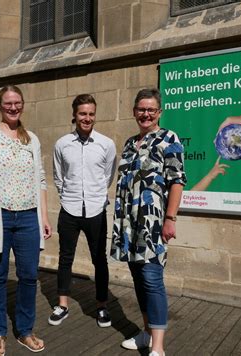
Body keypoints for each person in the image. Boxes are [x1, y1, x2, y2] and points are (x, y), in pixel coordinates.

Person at [0, 85, 52, 355]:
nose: (13, 107)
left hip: (29, 216)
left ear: (23, 104)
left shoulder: (32, 138)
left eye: (17, 102)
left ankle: (25, 331)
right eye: (8, 103)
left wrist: (44, 216)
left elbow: (40, 179)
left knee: (29, 276)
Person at [111, 88, 186, 356]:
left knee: (152, 279)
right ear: (134, 112)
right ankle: (145, 333)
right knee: (138, 279)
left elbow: (176, 181)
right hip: (129, 225)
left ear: (159, 112)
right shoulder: (130, 143)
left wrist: (170, 219)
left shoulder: (169, 139)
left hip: (153, 223)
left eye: (151, 110)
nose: (146, 114)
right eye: (141, 109)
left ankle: (158, 347)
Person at [49, 94, 116, 328]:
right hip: (70, 207)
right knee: (65, 258)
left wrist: (96, 195)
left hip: (96, 209)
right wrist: (68, 195)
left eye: (91, 114)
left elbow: (108, 175)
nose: (87, 118)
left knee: (100, 260)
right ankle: (62, 305)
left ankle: (101, 306)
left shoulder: (106, 144)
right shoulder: (62, 144)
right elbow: (58, 176)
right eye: (82, 114)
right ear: (75, 115)